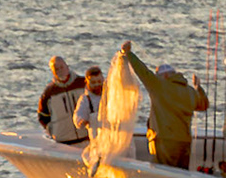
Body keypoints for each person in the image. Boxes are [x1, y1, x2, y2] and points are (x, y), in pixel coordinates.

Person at [119, 41, 210, 169]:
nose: (156, 77)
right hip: (185, 143)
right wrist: (198, 88)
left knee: (165, 173)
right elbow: (204, 105)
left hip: (165, 142)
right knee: (181, 176)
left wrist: (128, 53)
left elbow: (143, 72)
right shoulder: (190, 91)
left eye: (158, 75)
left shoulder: (160, 85)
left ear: (165, 75)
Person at [37, 56, 87, 144]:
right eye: (56, 69)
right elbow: (42, 116)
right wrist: (52, 130)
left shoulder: (83, 83)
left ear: (67, 67)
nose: (60, 71)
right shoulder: (49, 92)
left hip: (87, 137)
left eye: (61, 67)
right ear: (53, 72)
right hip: (63, 141)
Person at [72, 66, 105, 139]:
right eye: (93, 82)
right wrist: (81, 121)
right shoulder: (85, 99)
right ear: (86, 82)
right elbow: (78, 114)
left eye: (99, 81)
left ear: (103, 80)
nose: (97, 85)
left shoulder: (111, 95)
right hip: (97, 140)